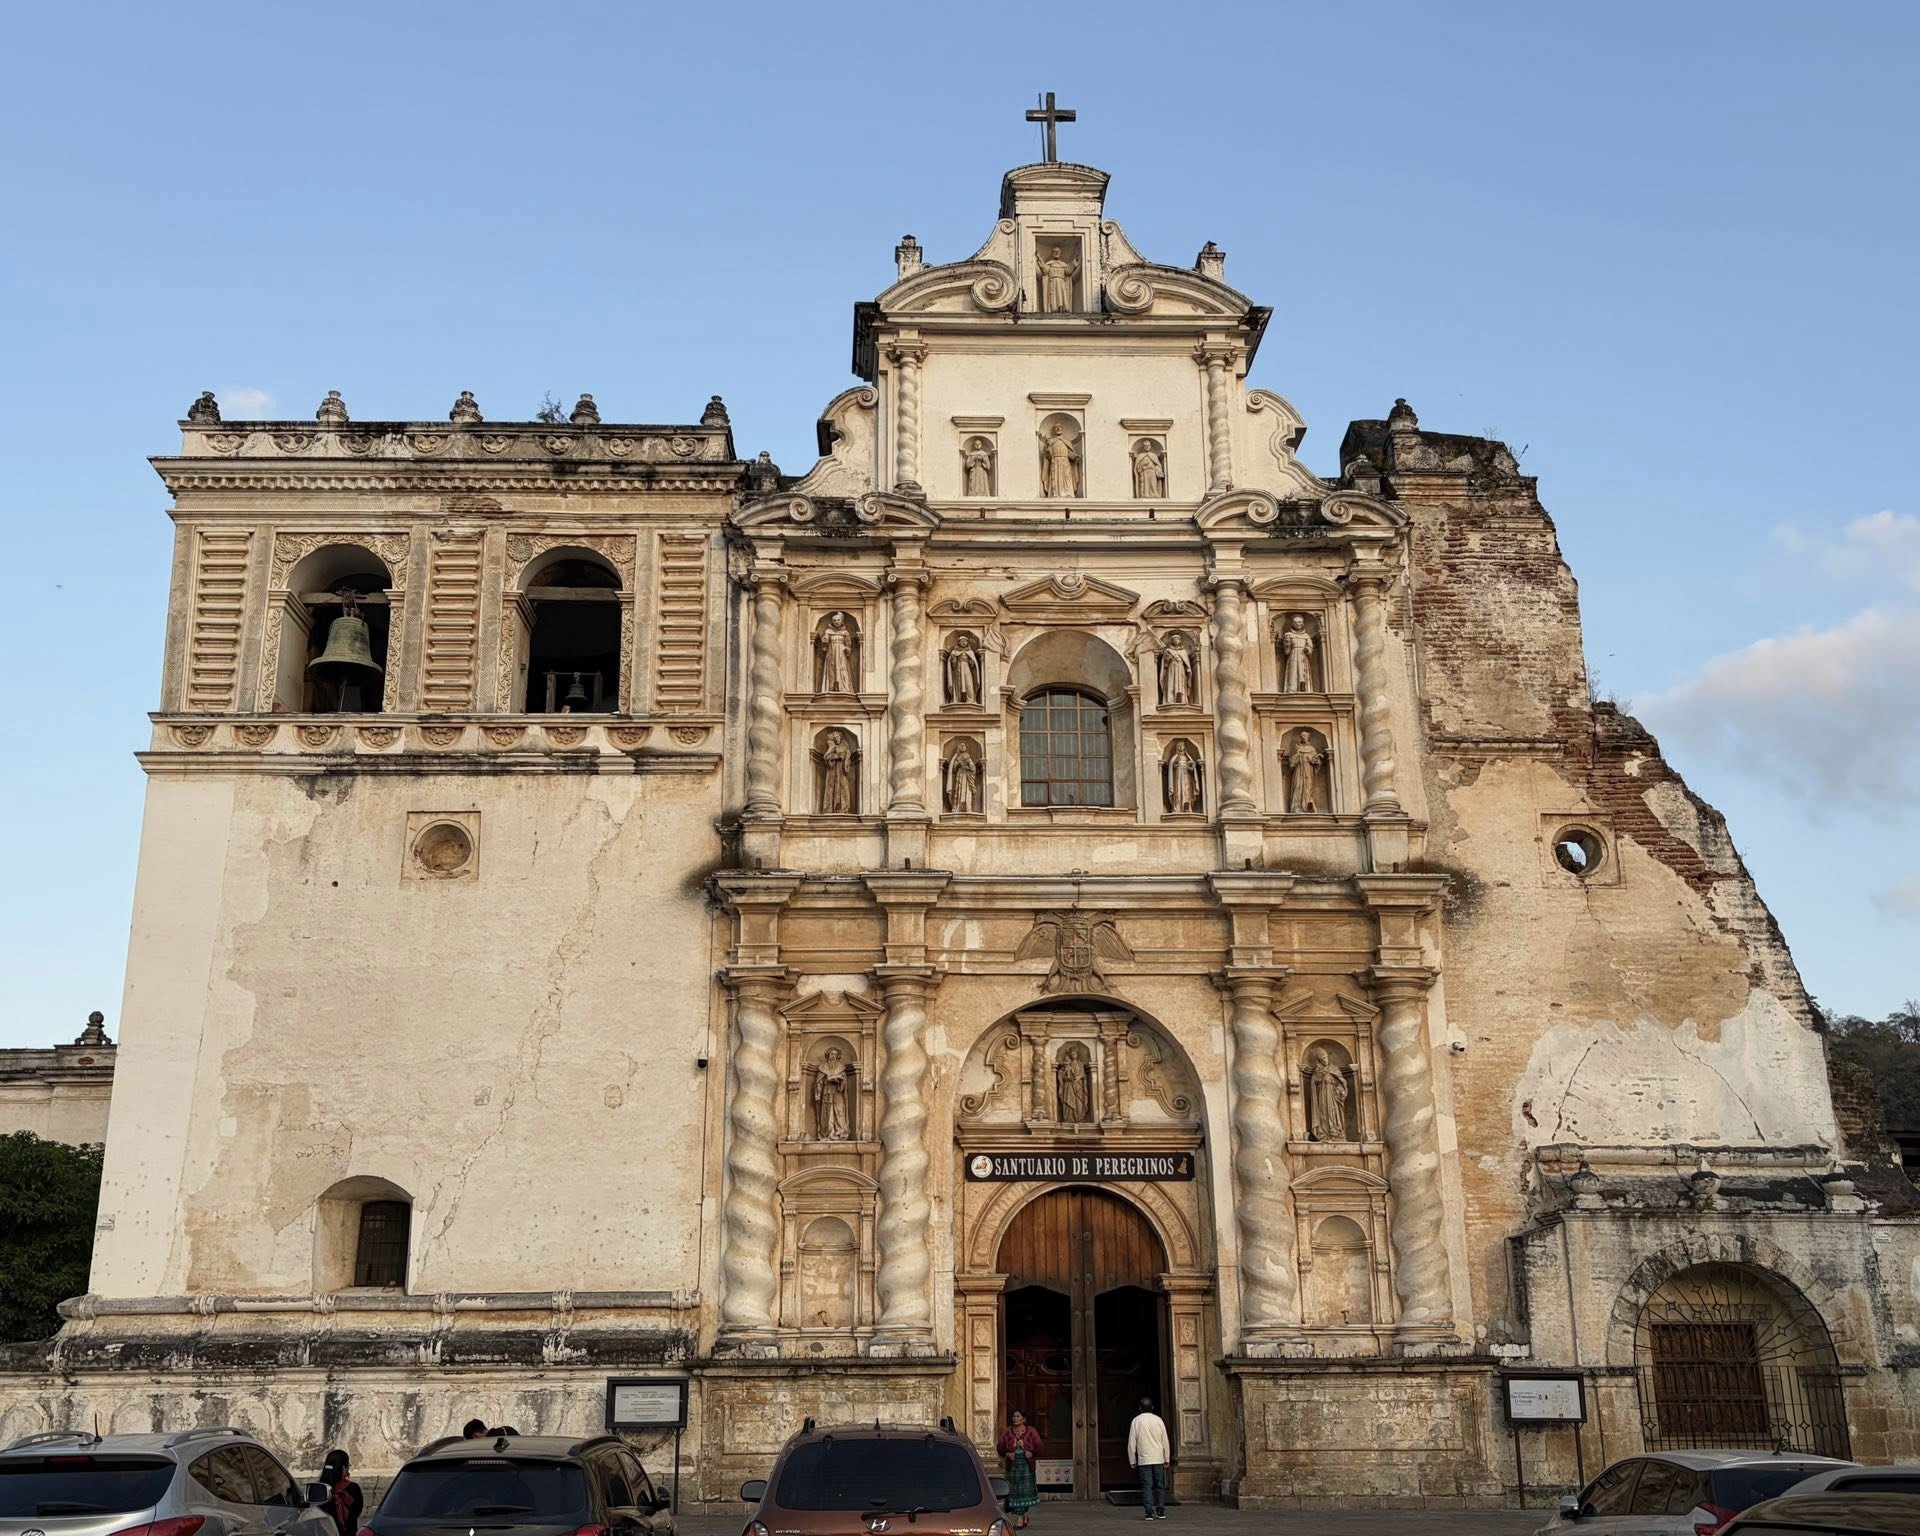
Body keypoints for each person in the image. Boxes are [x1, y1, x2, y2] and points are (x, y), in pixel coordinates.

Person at [995, 1409, 1043, 1528]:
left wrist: (1030, 1452)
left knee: (1024, 1492)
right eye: (1013, 1416)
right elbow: (1000, 1447)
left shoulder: (1031, 1431)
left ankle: (1020, 1518)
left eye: (1017, 1416)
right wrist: (1007, 1453)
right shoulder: (1008, 1431)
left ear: (1023, 1419)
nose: (1014, 1418)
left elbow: (1039, 1447)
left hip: (1026, 1467)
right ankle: (1023, 1515)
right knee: (1015, 1492)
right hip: (1013, 1468)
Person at [1127, 1397, 1170, 1520]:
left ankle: (1149, 1512)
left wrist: (1132, 1460)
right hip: (1158, 1458)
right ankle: (1161, 1510)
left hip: (1144, 1459)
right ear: (1152, 1408)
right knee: (1159, 1485)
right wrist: (1167, 1457)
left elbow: (1131, 1442)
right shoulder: (1159, 1420)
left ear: (1140, 1408)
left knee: (1147, 1486)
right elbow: (1165, 1441)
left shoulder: (1136, 1421)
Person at [318, 1450, 362, 1536]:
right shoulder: (353, 1488)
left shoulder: (319, 1489)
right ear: (343, 1468)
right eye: (348, 1465)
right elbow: (356, 1512)